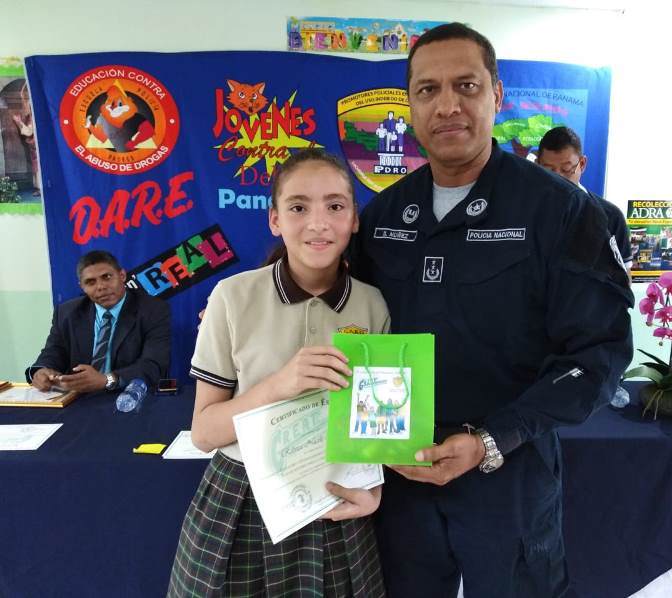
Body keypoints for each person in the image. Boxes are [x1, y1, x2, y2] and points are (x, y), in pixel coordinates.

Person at [350, 23, 633, 598]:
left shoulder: (561, 212)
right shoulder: (383, 215)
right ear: (410, 105)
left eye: (466, 85)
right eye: (428, 90)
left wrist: (492, 440)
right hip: (400, 472)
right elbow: (350, 325)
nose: (447, 105)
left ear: (497, 95)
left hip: (510, 471)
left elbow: (599, 354)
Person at [168, 148, 390, 597]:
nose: (318, 223)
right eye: (298, 207)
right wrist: (278, 385)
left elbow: (376, 423)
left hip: (335, 496)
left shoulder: (372, 304)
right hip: (242, 498)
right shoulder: (232, 297)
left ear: (354, 219)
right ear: (274, 219)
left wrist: (374, 491)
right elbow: (204, 433)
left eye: (335, 206)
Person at [25, 250, 170, 393]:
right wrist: (41, 371)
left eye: (107, 277)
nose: (101, 287)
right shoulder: (67, 313)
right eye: (90, 282)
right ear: (82, 287)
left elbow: (153, 365)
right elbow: (54, 352)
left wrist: (107, 380)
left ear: (122, 275)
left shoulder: (153, 310)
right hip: (79, 397)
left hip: (128, 396)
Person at [537, 125, 633, 276]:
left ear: (582, 164)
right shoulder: (524, 211)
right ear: (537, 165)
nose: (557, 179)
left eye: (566, 170)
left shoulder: (611, 216)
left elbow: (623, 279)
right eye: (548, 170)